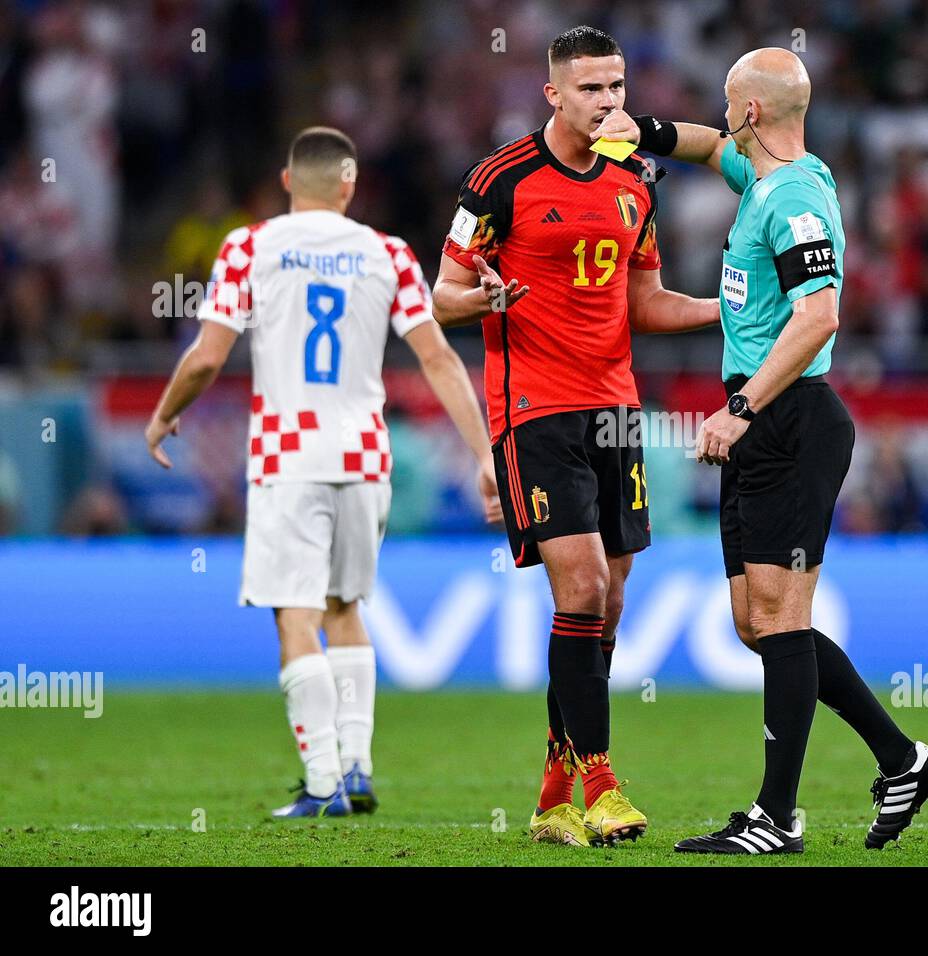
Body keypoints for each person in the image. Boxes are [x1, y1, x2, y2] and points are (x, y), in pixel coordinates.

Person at [597, 48, 928, 854]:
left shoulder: (791, 199)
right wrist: (639, 130)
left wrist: (743, 408)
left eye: (728, 104)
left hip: (788, 419)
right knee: (757, 625)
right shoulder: (767, 178)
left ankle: (776, 816)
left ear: (753, 111)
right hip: (764, 422)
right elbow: (698, 145)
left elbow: (818, 315)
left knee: (781, 620)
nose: (720, 117)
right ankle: (904, 759)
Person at [146, 127, 501, 818]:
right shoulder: (389, 253)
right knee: (345, 609)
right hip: (366, 454)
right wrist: (485, 453)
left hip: (289, 456)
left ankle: (321, 782)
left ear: (287, 182)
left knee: (296, 615)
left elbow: (205, 358)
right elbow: (438, 360)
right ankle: (359, 768)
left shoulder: (250, 246)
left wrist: (164, 416)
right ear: (349, 184)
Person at [431, 26, 718, 848]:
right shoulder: (501, 178)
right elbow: (438, 293)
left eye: (617, 86)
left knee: (610, 601)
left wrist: (723, 310)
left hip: (615, 409)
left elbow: (646, 302)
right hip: (535, 409)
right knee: (584, 587)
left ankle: (555, 789)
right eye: (591, 89)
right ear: (554, 94)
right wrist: (481, 298)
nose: (609, 102)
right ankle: (600, 779)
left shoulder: (636, 179)